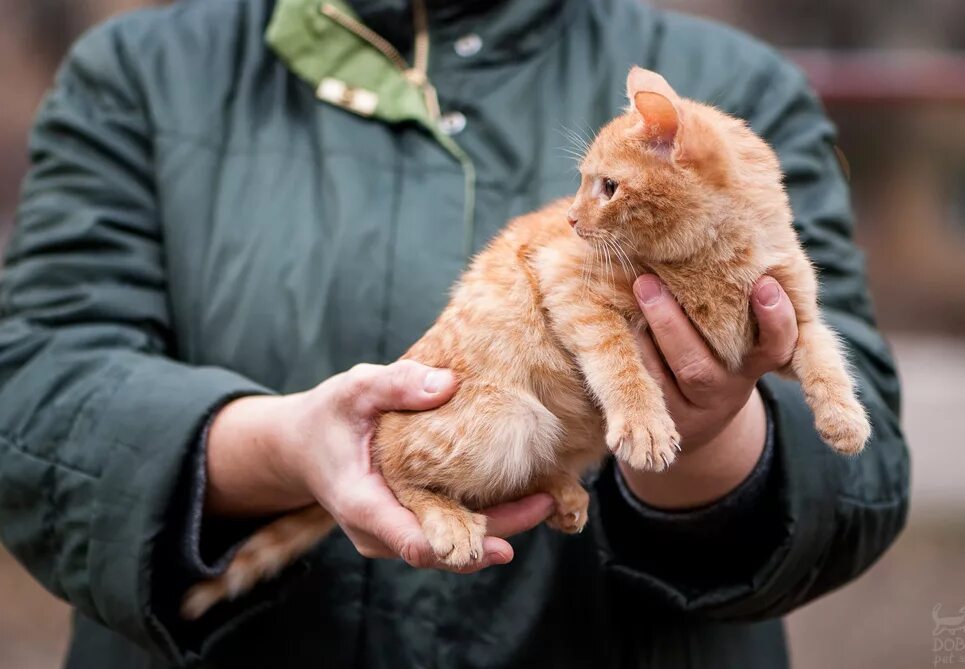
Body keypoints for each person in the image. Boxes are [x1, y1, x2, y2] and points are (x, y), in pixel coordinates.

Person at [0, 0, 910, 667]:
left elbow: (863, 469)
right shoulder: (138, 74)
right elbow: (33, 396)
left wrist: (714, 443)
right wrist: (273, 449)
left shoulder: (741, 91)